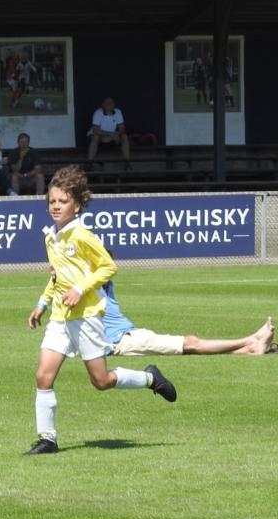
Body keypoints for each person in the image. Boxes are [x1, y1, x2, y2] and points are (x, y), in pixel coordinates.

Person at [23, 165, 175, 456]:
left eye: (63, 201)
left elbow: (108, 266)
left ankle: (149, 378)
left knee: (101, 381)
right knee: (43, 376)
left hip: (87, 318)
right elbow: (57, 277)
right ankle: (48, 439)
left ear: (77, 205)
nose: (56, 206)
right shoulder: (51, 236)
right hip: (59, 318)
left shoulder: (82, 235)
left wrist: (80, 289)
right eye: (52, 201)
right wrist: (42, 304)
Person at [102, 281, 278, 356]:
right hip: (123, 341)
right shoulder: (87, 290)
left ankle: (249, 347)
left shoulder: (106, 286)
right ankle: (251, 340)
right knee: (191, 343)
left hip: (132, 336)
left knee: (190, 348)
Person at [87, 96, 130, 166]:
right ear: (103, 105)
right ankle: (89, 163)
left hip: (111, 135)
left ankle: (127, 162)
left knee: (124, 136)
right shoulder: (98, 112)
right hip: (99, 135)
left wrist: (117, 134)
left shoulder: (118, 112)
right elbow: (95, 130)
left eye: (112, 103)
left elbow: (122, 128)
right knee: (95, 137)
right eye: (108, 103)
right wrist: (111, 134)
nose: (110, 105)